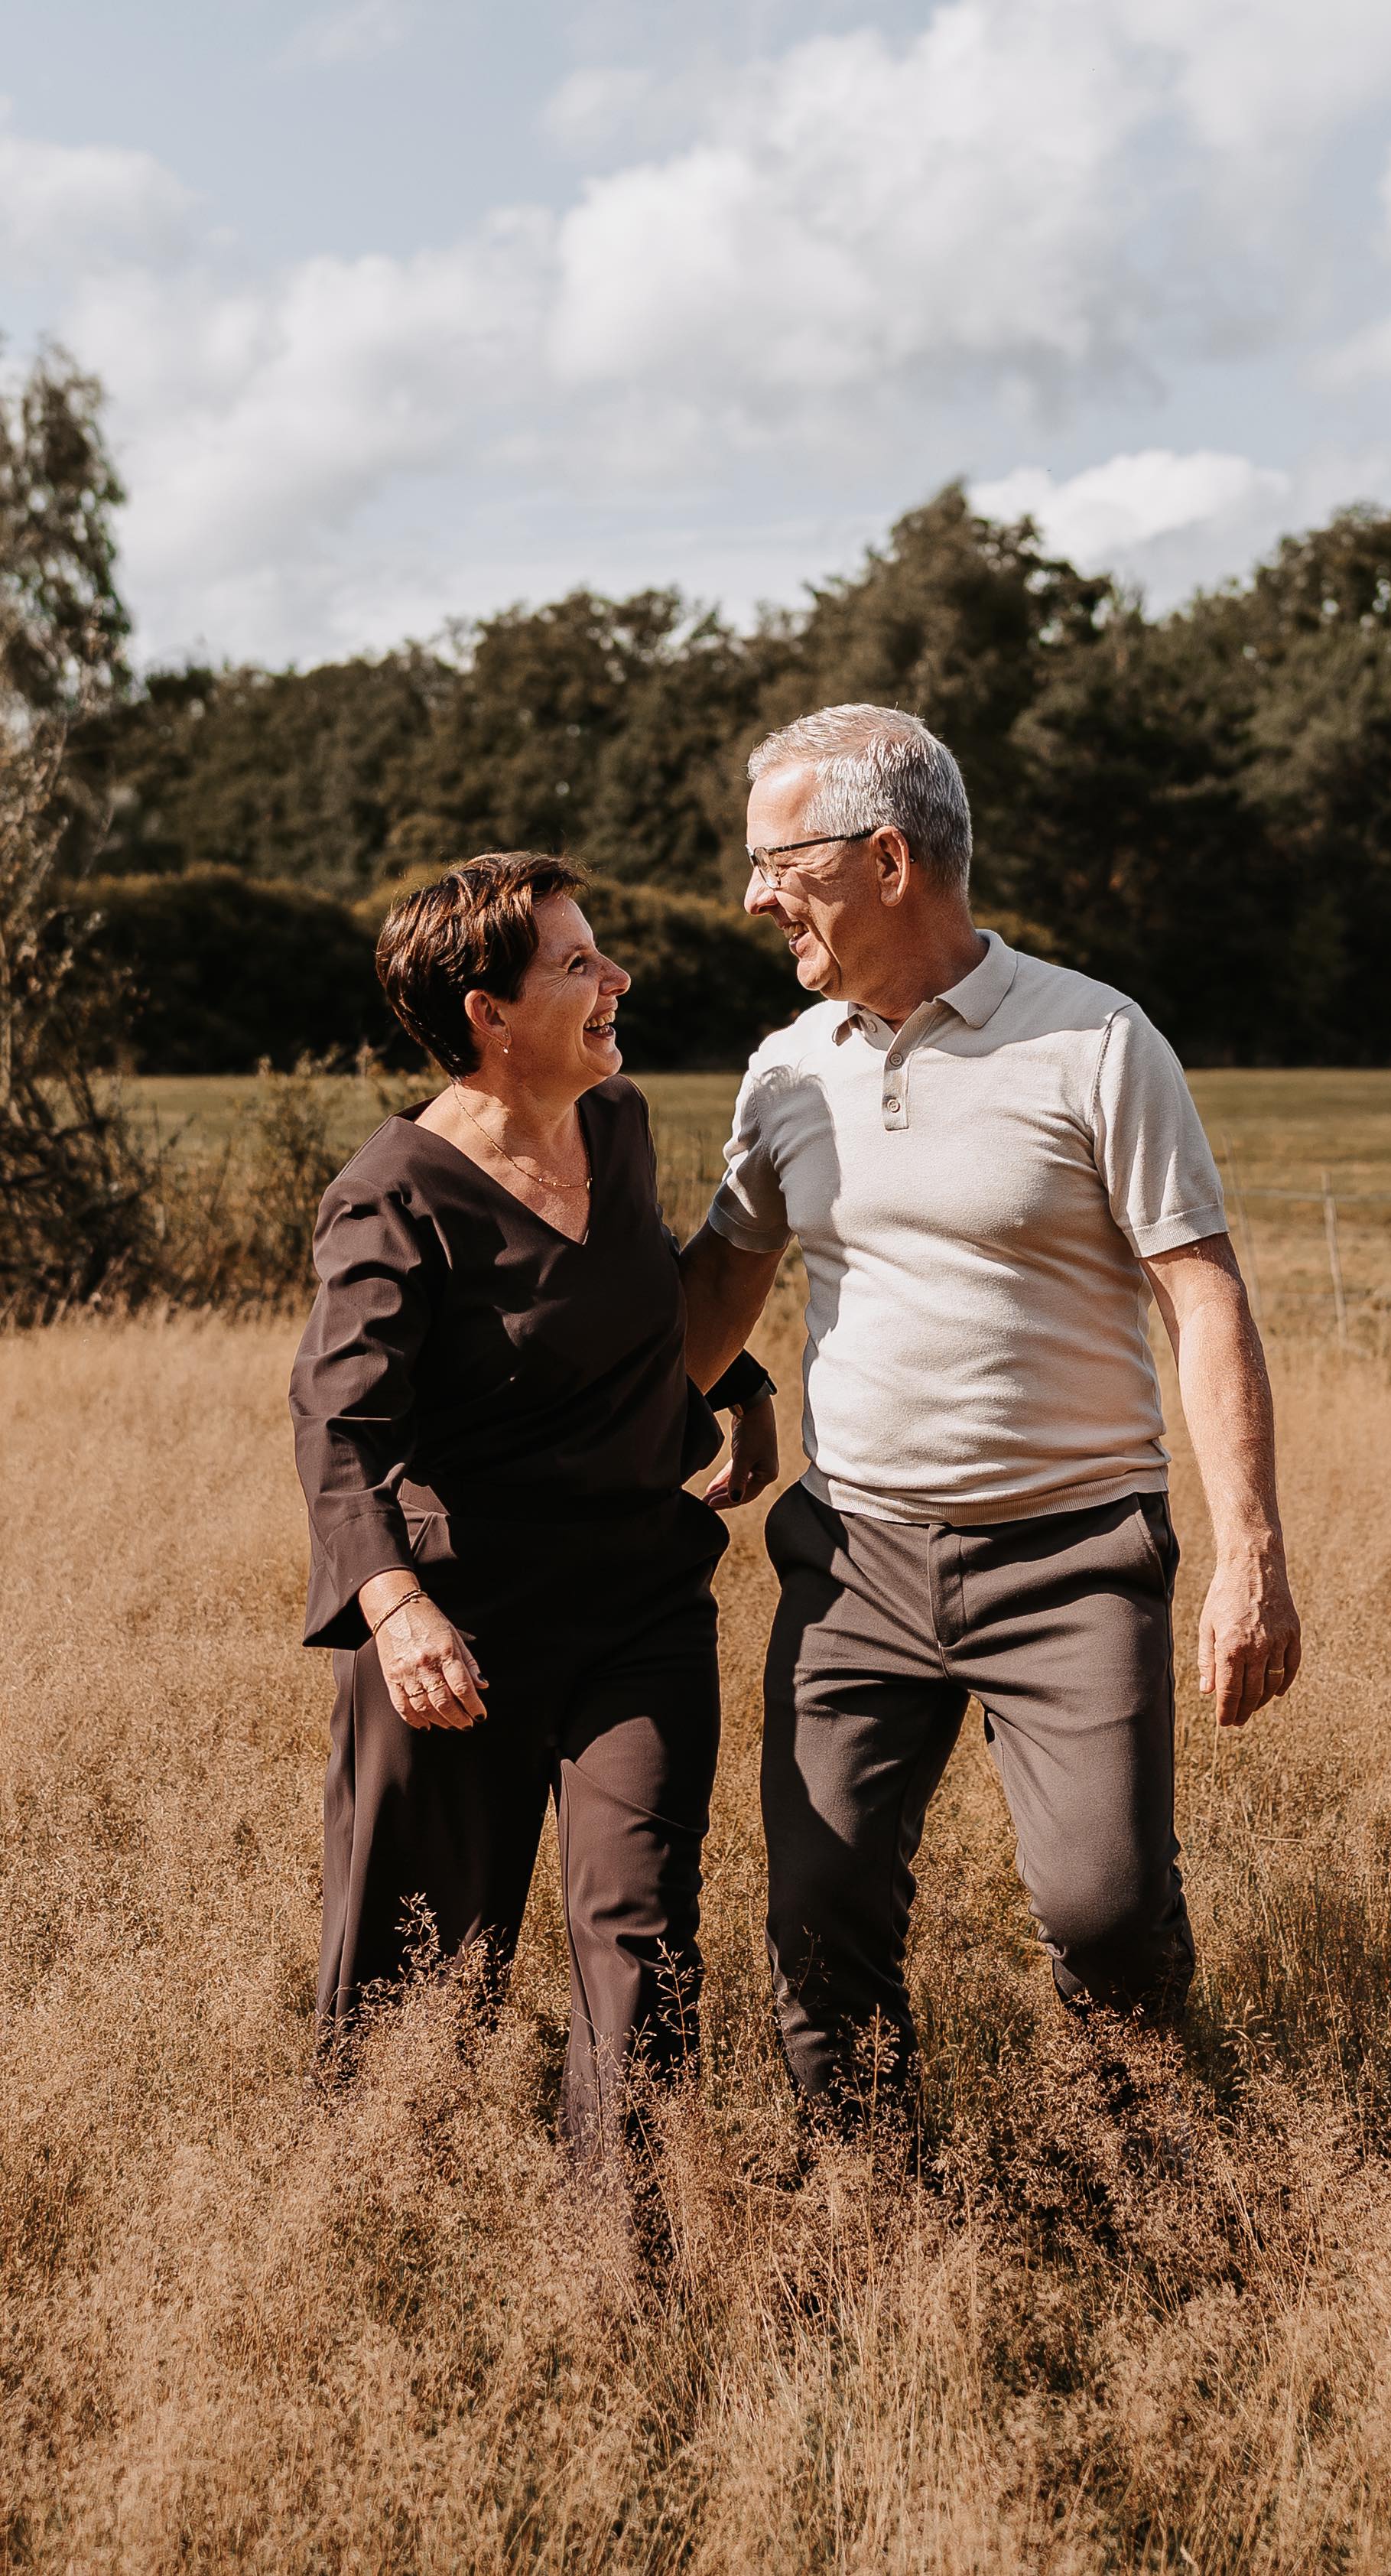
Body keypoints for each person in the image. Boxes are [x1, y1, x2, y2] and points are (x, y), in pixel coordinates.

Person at [681, 704, 1302, 2117]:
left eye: (780, 860)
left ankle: (1158, 2194)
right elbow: (715, 1294)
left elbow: (1203, 1298)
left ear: (886, 859)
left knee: (1103, 1915)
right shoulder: (787, 1067)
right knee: (820, 1920)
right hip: (853, 1562)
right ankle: (871, 2218)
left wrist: (1250, 1553)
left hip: (1073, 1559)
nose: (753, 895)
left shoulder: (1096, 1039)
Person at [289, 851, 777, 2147]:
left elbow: (632, 1305)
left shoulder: (616, 1123)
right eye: (577, 962)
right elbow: (340, 1425)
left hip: (639, 1605)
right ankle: (382, 2225)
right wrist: (395, 1612)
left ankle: (627, 2258)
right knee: (420, 1967)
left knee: (644, 1934)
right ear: (485, 1018)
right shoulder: (392, 1195)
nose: (615, 977)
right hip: (461, 1628)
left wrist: (747, 1386)